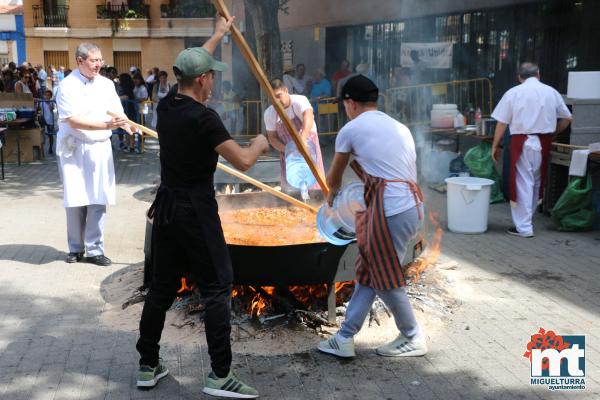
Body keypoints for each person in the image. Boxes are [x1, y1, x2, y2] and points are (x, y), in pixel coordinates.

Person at [135, 14, 268, 399]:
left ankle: (147, 364)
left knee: (161, 288)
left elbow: (190, 64)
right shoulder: (205, 119)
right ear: (203, 80)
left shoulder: (168, 105)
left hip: (167, 208)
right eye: (212, 75)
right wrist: (262, 141)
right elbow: (243, 162)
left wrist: (218, 35)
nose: (215, 80)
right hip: (195, 208)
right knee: (216, 287)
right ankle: (220, 375)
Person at [317, 75, 427, 359]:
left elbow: (335, 178)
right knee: (367, 271)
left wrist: (331, 200)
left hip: (389, 211)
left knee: (383, 278)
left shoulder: (351, 129)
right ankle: (344, 337)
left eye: (344, 105)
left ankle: (413, 336)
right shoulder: (398, 125)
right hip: (410, 206)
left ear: (350, 103)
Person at [55, 42, 136, 266]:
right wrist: (107, 125)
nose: (98, 64)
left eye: (100, 60)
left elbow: (117, 112)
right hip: (74, 148)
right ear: (79, 61)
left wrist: (128, 126)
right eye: (93, 60)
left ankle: (95, 249)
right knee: (75, 199)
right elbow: (73, 120)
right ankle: (75, 248)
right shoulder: (67, 86)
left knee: (98, 198)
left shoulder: (107, 84)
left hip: (100, 147)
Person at [491, 62, 572, 238]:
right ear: (538, 74)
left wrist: (495, 145)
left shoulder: (513, 92)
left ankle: (524, 227)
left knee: (523, 182)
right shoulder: (552, 92)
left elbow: (502, 122)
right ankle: (527, 221)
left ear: (519, 77)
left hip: (523, 141)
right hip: (544, 141)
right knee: (536, 181)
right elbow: (567, 117)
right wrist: (554, 132)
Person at [263, 78, 325, 194]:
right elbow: (272, 137)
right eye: (272, 98)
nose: (276, 101)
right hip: (287, 150)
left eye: (278, 95)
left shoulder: (300, 100)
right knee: (291, 185)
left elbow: (309, 117)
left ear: (286, 91)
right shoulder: (269, 113)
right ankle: (291, 202)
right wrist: (287, 150)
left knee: (312, 178)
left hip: (308, 144)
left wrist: (302, 141)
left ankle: (317, 199)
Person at [40, 89, 57, 155]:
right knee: (43, 134)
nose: (47, 97)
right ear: (44, 96)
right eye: (46, 95)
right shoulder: (41, 102)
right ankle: (42, 148)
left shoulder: (52, 102)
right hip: (43, 120)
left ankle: (50, 147)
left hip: (50, 120)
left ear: (50, 97)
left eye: (48, 96)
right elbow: (40, 110)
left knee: (50, 134)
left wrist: (50, 104)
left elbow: (52, 109)